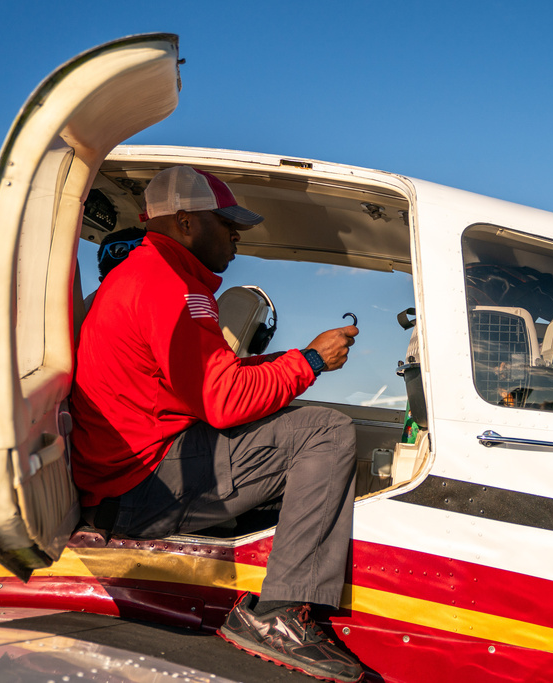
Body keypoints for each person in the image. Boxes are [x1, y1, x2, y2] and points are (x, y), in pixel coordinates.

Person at [69, 166, 364, 683]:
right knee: (326, 431)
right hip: (141, 487)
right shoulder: (172, 287)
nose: (236, 236)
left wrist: (296, 358)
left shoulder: (151, 275)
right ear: (185, 223)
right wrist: (312, 362)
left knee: (295, 425)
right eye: (226, 224)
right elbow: (224, 403)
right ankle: (280, 617)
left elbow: (206, 383)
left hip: (131, 476)